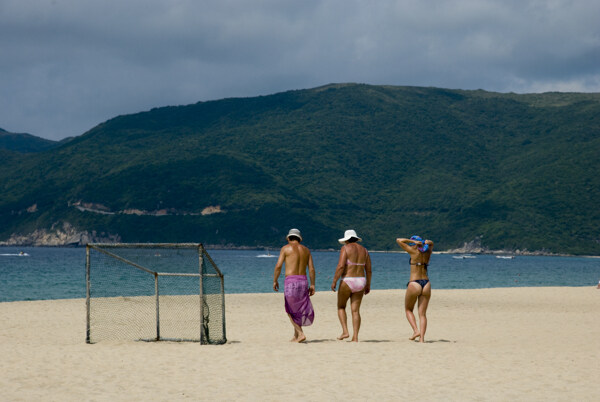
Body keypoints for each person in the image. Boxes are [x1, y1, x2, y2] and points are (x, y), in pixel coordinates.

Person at [273, 228, 316, 343]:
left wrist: (275, 280)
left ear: (288, 238)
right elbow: (311, 268)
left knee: (289, 310)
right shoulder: (306, 250)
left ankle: (300, 333)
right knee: (298, 308)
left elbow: (278, 266)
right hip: (303, 280)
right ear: (299, 239)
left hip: (291, 281)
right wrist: (313, 284)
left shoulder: (285, 248)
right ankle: (295, 335)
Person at [331, 229, 372, 342]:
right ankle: (355, 337)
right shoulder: (364, 250)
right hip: (361, 280)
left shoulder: (345, 248)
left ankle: (345, 331)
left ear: (346, 240)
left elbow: (340, 266)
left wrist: (334, 280)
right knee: (355, 311)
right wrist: (368, 284)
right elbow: (368, 270)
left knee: (341, 307)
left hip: (348, 280)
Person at [396, 235, 434, 343]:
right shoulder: (427, 252)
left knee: (408, 310)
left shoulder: (413, 251)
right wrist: (426, 242)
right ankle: (421, 339)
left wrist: (411, 241)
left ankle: (416, 330)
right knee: (422, 314)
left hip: (414, 283)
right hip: (426, 284)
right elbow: (431, 243)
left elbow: (399, 240)